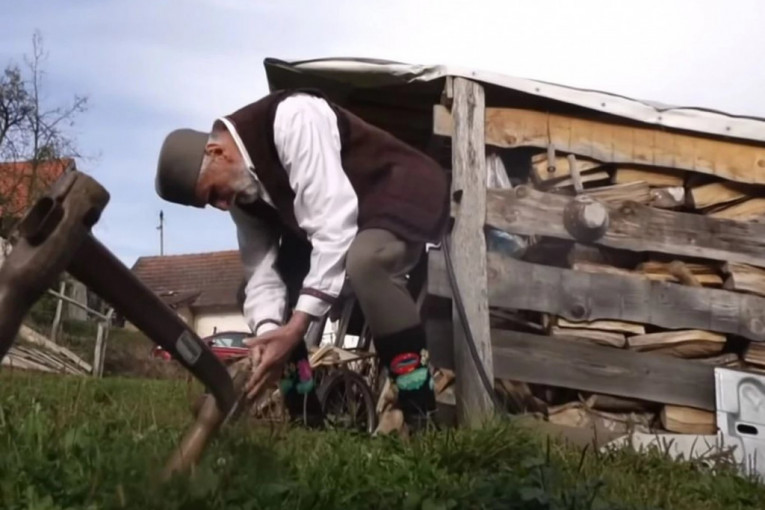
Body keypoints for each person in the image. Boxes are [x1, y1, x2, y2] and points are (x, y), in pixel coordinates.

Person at [154, 88, 449, 430]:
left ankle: (420, 415)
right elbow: (261, 274)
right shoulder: (241, 194)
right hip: (342, 219)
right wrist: (269, 336)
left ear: (216, 152)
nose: (222, 205)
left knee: (367, 261)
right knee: (256, 296)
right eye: (211, 203)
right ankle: (307, 421)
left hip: (395, 191)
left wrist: (296, 328)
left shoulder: (293, 120)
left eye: (214, 193)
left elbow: (333, 226)